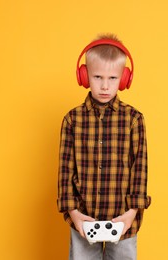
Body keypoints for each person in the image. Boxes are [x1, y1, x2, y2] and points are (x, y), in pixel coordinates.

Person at [57, 33, 151, 260]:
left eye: (112, 78)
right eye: (97, 77)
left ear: (124, 78)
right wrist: (75, 214)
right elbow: (65, 171)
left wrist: (131, 214)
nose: (105, 86)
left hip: (123, 219)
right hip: (83, 217)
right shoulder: (72, 120)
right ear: (84, 75)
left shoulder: (134, 119)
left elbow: (140, 169)